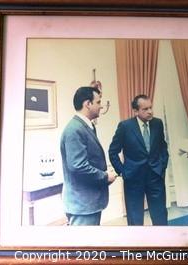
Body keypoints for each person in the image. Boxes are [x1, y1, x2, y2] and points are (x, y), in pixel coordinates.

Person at [60, 86, 117, 226]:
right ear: (87, 104)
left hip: (88, 202)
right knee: (83, 246)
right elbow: (78, 166)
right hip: (83, 205)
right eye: (98, 102)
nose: (101, 106)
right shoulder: (74, 130)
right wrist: (105, 177)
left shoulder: (85, 126)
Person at [108, 95, 169, 225]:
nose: (150, 112)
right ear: (136, 111)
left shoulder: (157, 124)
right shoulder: (125, 126)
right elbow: (113, 151)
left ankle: (164, 243)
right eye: (145, 109)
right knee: (135, 219)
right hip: (133, 178)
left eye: (151, 108)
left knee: (160, 216)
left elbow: (163, 147)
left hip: (155, 176)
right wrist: (123, 172)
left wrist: (162, 166)